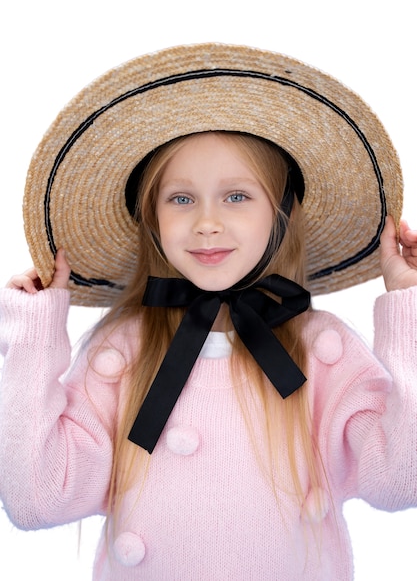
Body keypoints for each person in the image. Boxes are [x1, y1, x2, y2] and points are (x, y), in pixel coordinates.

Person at [0, 43, 417, 580]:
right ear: (150, 216)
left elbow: (401, 481)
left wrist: (408, 306)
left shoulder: (321, 351)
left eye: (237, 196)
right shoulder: (121, 355)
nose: (207, 222)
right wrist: (32, 335)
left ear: (281, 212)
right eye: (180, 198)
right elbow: (35, 501)